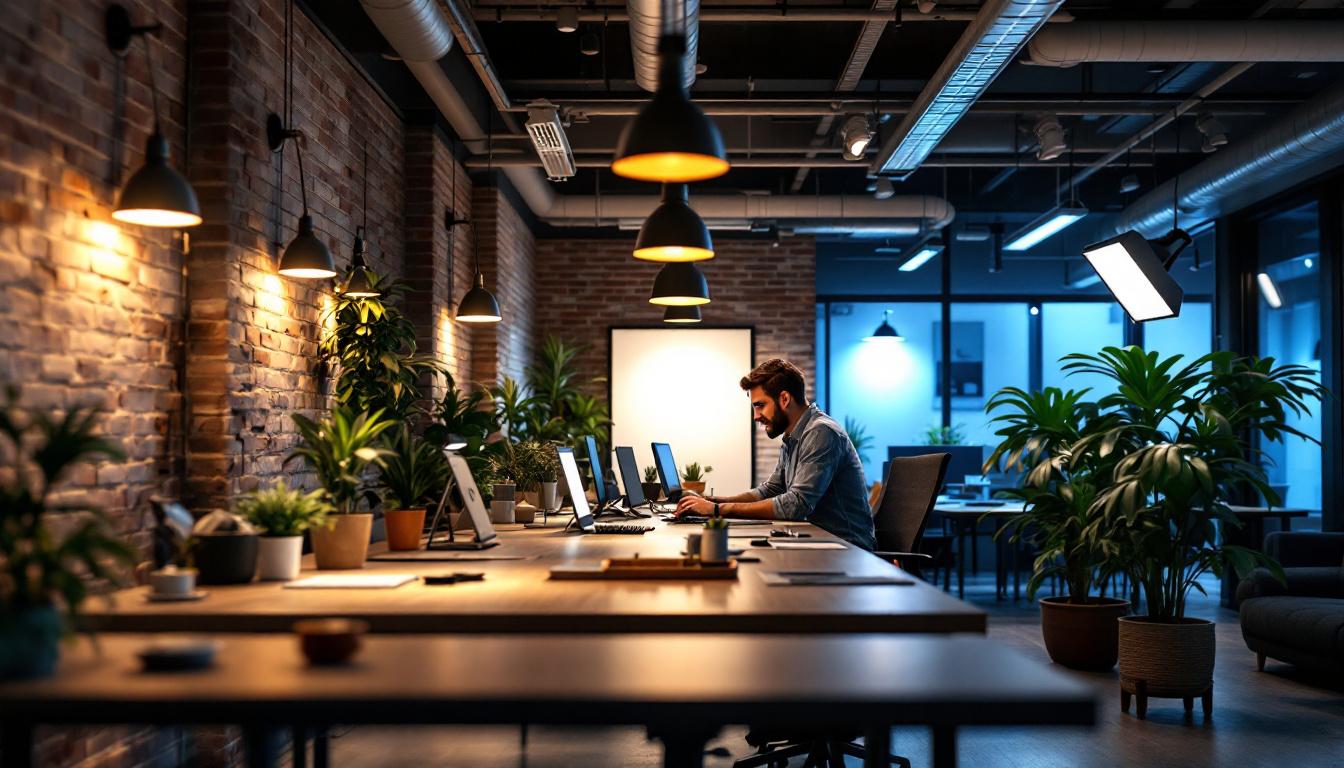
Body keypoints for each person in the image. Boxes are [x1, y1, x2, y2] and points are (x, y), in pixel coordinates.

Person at [675, 358, 876, 550]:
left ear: (784, 399)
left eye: (760, 405)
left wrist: (716, 511)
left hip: (848, 549)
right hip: (817, 541)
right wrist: (713, 502)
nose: (755, 416)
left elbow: (796, 505)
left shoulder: (821, 432)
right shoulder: (794, 435)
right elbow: (771, 489)